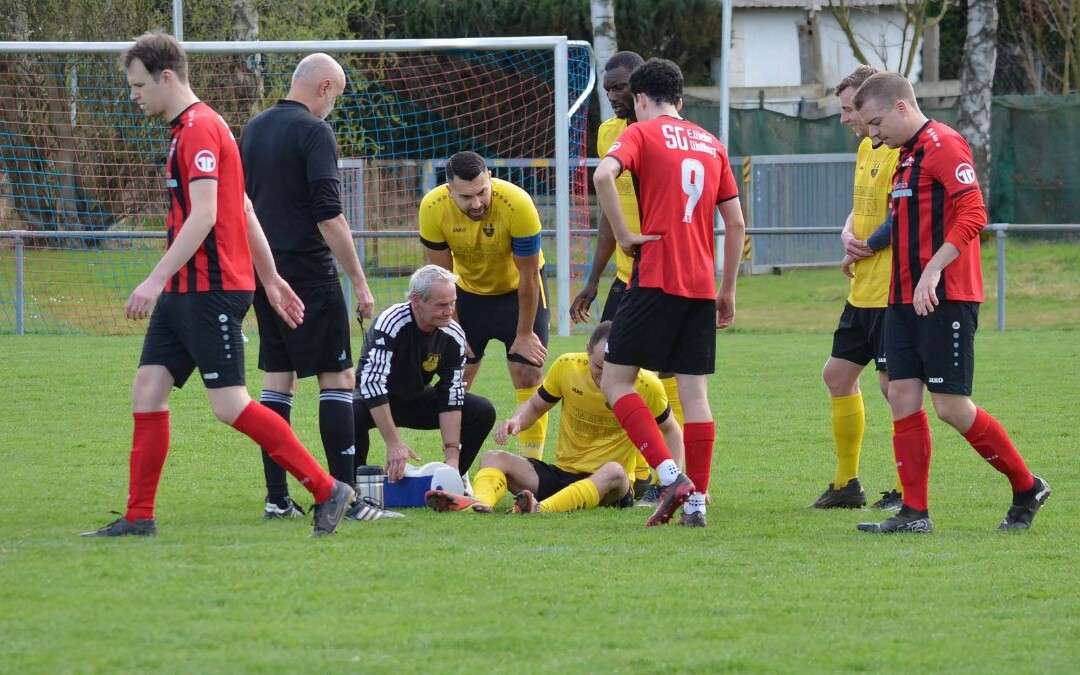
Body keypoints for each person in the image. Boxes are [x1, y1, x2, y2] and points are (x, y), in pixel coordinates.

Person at [81, 32, 354, 538]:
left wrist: (153, 278)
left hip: (209, 290)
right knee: (148, 390)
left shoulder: (202, 130)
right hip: (186, 290)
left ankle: (326, 488)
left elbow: (207, 216)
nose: (133, 95)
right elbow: (244, 208)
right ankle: (139, 517)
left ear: (167, 78)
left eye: (139, 85)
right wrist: (270, 279)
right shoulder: (187, 130)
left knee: (229, 405)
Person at [851, 71, 1051, 533]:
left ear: (902, 107)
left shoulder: (943, 144)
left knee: (951, 407)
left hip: (946, 296)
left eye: (877, 122)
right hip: (903, 298)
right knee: (900, 395)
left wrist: (935, 268)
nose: (873, 135)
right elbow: (906, 223)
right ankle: (914, 513)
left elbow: (974, 211)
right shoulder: (904, 157)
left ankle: (1027, 486)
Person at [593, 58, 746, 527]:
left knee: (615, 382)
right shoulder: (712, 143)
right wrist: (728, 289)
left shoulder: (641, 133)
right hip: (700, 286)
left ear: (640, 98)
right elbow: (736, 223)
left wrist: (623, 235)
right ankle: (697, 501)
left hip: (656, 276)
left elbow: (603, 176)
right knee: (695, 394)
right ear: (679, 98)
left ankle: (669, 475)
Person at [240, 53, 376, 520]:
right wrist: (359, 282)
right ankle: (349, 499)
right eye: (335, 95)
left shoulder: (253, 128)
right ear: (323, 88)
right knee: (336, 378)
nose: (332, 106)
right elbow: (329, 214)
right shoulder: (315, 131)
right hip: (309, 273)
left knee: (278, 380)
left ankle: (277, 500)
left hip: (265, 272)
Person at [569, 50, 681, 502]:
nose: (615, 95)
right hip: (626, 276)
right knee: (612, 368)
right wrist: (593, 277)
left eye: (622, 87)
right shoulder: (609, 134)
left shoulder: (668, 136)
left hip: (667, 274)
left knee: (671, 377)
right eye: (609, 87)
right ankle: (635, 474)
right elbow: (608, 213)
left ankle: (673, 475)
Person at [424, 321, 683, 516]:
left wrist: (666, 483)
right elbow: (536, 405)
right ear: (587, 352)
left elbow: (671, 430)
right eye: (598, 368)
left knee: (614, 471)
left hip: (612, 485)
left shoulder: (646, 384)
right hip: (561, 475)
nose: (604, 378)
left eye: (612, 369)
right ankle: (478, 503)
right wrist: (517, 421)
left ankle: (540, 510)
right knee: (493, 457)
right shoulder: (568, 366)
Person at [811, 65, 904, 511]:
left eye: (850, 109)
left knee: (895, 389)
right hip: (862, 290)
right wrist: (848, 236)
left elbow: (901, 212)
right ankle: (847, 484)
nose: (846, 118)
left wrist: (869, 244)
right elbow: (862, 208)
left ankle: (908, 489)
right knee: (838, 375)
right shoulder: (867, 147)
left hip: (891, 290)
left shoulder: (897, 148)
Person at [419, 151, 549, 460]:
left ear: (489, 178)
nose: (477, 203)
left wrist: (525, 333)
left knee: (527, 372)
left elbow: (529, 275)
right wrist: (455, 331)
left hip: (519, 291)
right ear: (450, 190)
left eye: (482, 192)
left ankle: (532, 465)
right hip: (467, 295)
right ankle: (456, 466)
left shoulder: (517, 203)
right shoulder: (432, 208)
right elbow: (442, 279)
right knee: (457, 379)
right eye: (466, 197)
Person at [353, 265, 496, 492]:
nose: (449, 311)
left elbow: (452, 394)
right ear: (416, 300)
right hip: (376, 401)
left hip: (416, 398)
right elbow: (372, 384)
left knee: (481, 411)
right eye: (441, 304)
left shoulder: (453, 333)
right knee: (348, 410)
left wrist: (452, 457)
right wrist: (394, 443)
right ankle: (355, 485)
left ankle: (451, 480)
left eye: (452, 303)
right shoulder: (390, 323)